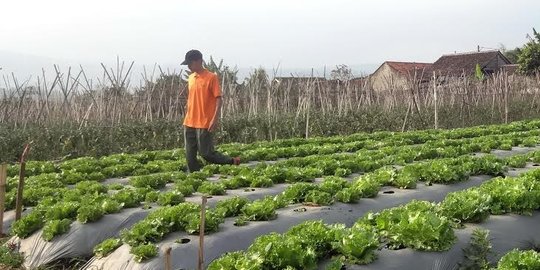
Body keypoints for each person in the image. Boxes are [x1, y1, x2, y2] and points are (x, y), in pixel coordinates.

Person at [180, 49, 240, 172]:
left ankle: (232, 161)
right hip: (189, 121)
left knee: (206, 153)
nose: (189, 67)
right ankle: (195, 178)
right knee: (190, 157)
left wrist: (214, 119)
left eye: (190, 63)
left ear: (199, 61)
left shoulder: (211, 77)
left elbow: (219, 99)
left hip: (204, 121)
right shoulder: (191, 78)